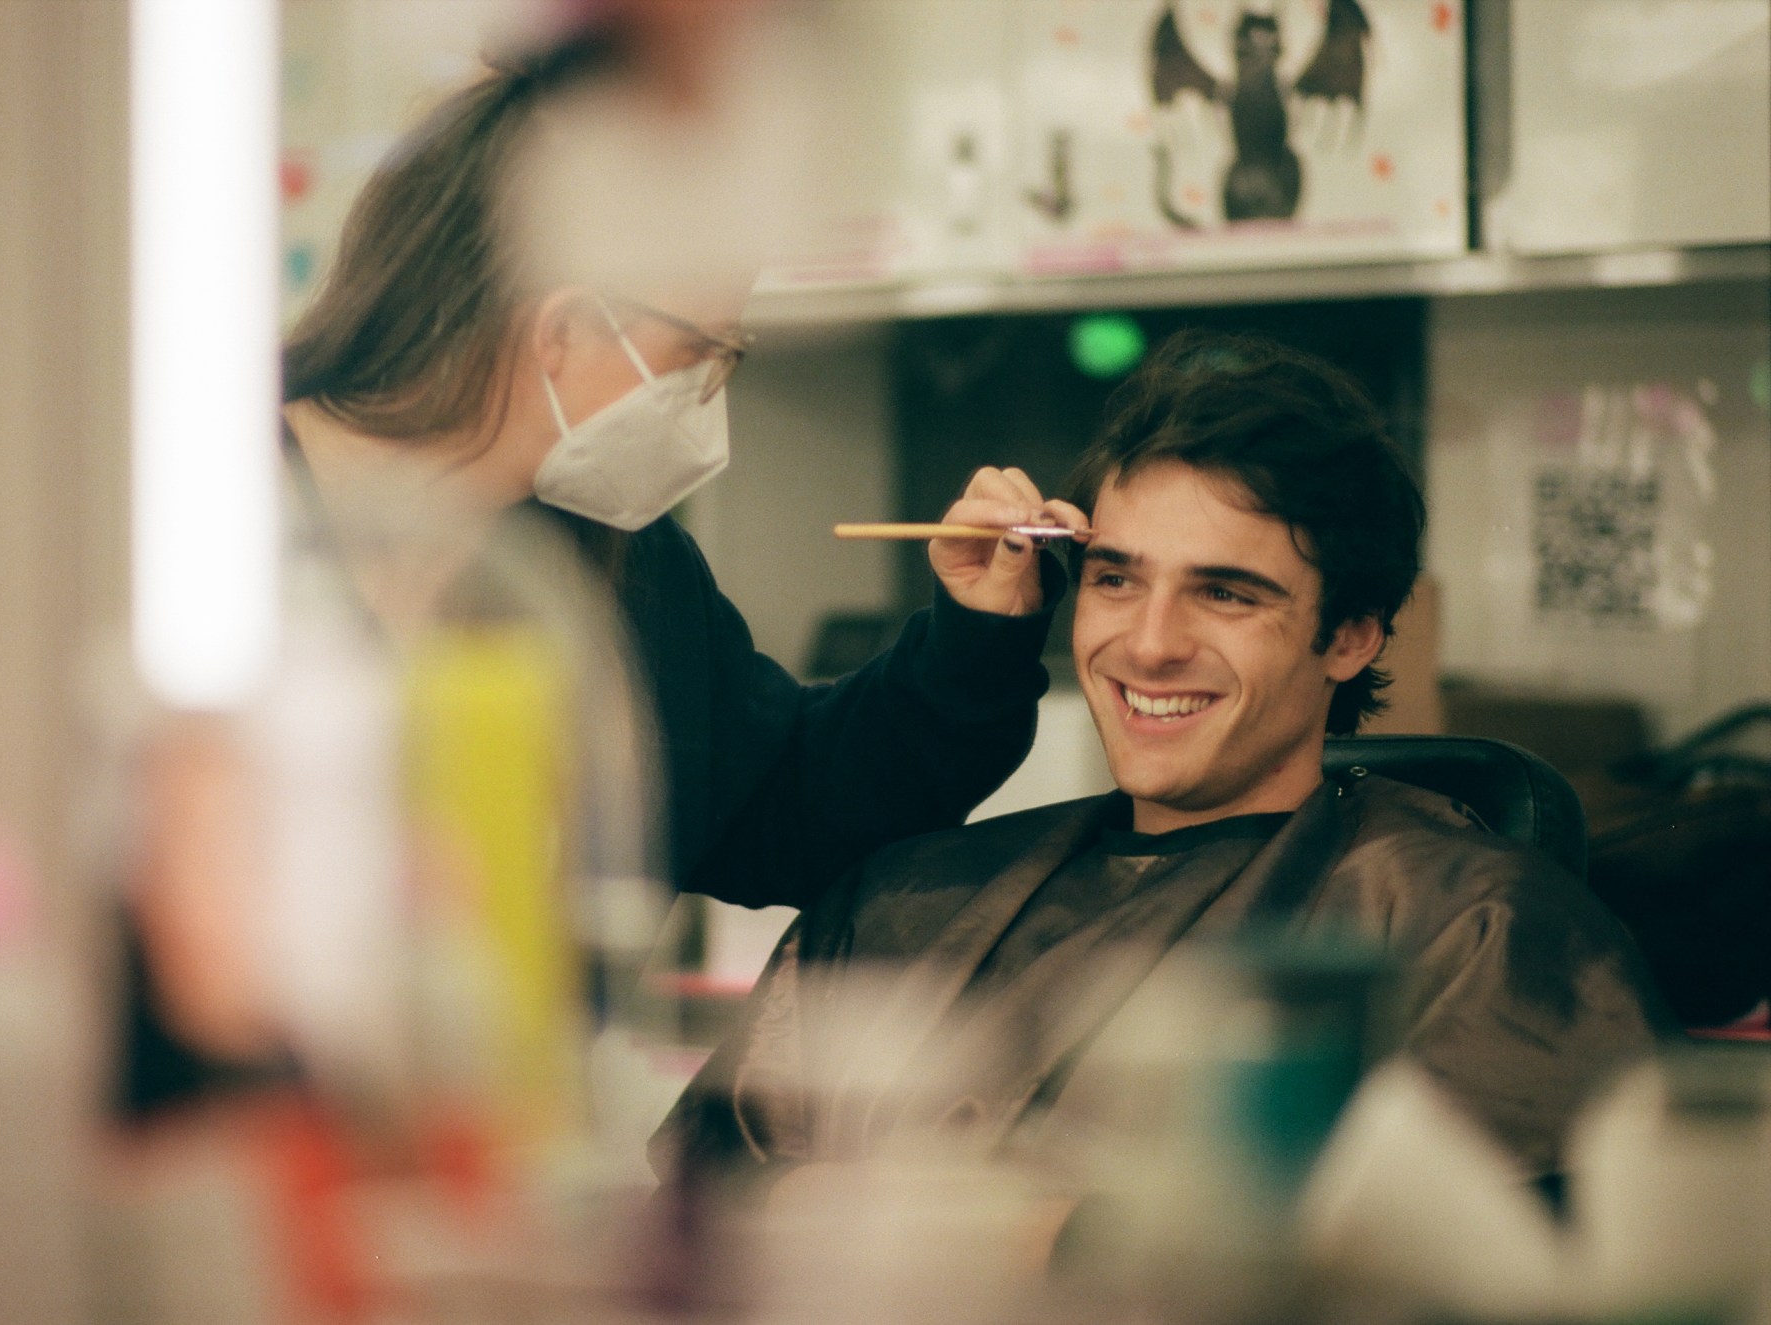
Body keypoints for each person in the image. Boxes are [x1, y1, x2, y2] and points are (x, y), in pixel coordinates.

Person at [657, 330, 1669, 1182]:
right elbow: (690, 1235)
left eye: (1225, 592)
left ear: (1352, 633)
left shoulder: (1471, 933)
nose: (1147, 643)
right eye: (1113, 579)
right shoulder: (895, 903)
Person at [275, 31, 1087, 913]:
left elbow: (787, 802)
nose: (710, 402)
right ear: (565, 331)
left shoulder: (618, 567)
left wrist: (972, 640)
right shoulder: (184, 520)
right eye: (699, 352)